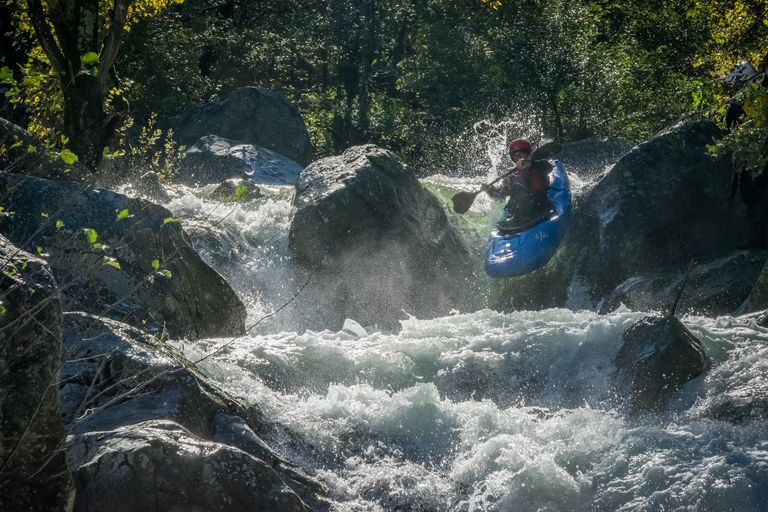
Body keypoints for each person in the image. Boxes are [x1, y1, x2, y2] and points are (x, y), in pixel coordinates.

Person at [725, 55, 768, 247]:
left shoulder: (752, 96)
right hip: (749, 153)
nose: (733, 87)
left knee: (754, 194)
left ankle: (759, 239)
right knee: (750, 194)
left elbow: (756, 125)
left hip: (755, 154)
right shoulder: (753, 95)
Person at [481, 138, 554, 233]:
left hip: (539, 207)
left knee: (518, 183)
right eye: (516, 155)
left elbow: (549, 168)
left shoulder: (537, 164)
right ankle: (518, 217)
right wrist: (490, 190)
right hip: (518, 214)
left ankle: (523, 218)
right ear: (512, 158)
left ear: (528, 154)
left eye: (521, 154)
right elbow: (500, 196)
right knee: (515, 183)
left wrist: (531, 164)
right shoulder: (510, 175)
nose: (519, 157)